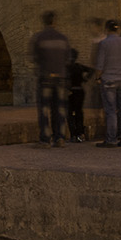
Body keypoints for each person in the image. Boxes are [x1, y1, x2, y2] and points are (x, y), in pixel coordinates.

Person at [31, 11, 72, 147]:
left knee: (44, 109)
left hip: (45, 77)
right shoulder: (63, 38)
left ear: (44, 21)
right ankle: (60, 137)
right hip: (61, 77)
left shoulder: (39, 38)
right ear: (55, 21)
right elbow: (68, 58)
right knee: (59, 108)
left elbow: (35, 58)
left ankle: (45, 138)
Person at [93, 19, 121, 146]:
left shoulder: (104, 43)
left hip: (108, 79)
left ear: (107, 29)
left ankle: (111, 139)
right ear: (118, 29)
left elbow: (100, 65)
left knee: (111, 110)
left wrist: (97, 77)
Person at [66, 48, 91, 142]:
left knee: (69, 114)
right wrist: (85, 78)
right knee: (79, 113)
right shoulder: (79, 66)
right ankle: (80, 134)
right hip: (80, 91)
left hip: (70, 92)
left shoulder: (66, 67)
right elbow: (91, 70)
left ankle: (73, 134)